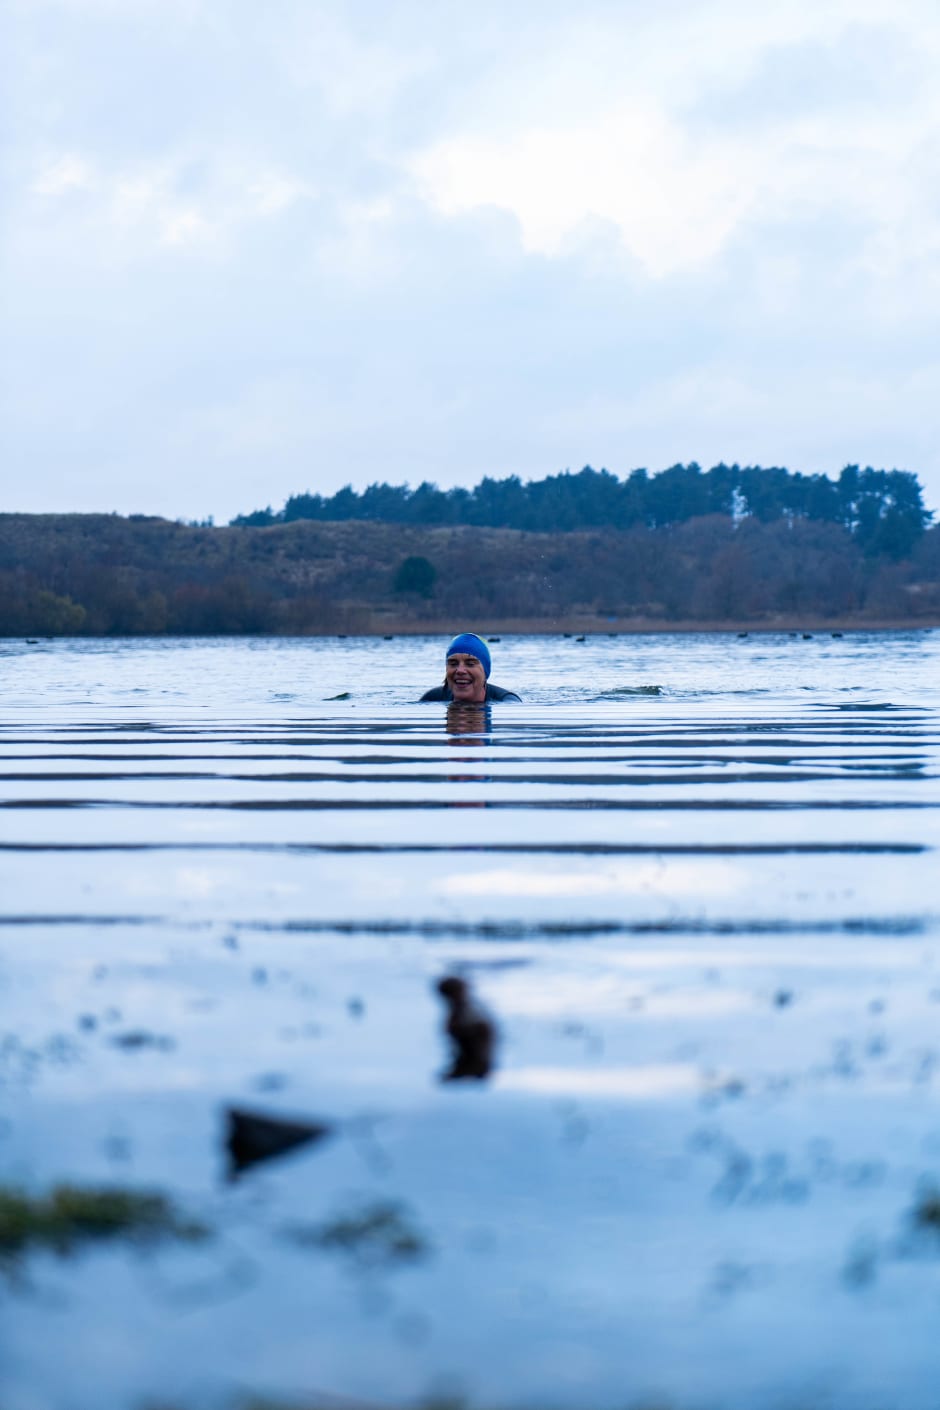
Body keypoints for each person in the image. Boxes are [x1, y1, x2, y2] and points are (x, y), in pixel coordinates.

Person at [419, 632, 521, 703]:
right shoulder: (431, 698)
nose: (460, 670)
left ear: (486, 672)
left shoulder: (507, 701)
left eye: (470, 664)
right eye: (453, 664)